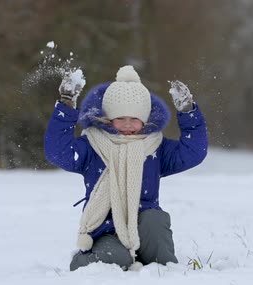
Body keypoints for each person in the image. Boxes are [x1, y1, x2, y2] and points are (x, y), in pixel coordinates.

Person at [44, 65, 208, 271]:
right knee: (117, 259)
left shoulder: (155, 146)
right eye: (120, 118)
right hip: (105, 230)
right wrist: (66, 106)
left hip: (145, 227)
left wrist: (188, 113)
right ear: (108, 119)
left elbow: (193, 152)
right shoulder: (92, 145)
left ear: (145, 119)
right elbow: (58, 152)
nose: (128, 125)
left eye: (135, 119)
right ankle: (83, 262)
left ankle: (165, 270)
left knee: (155, 222)